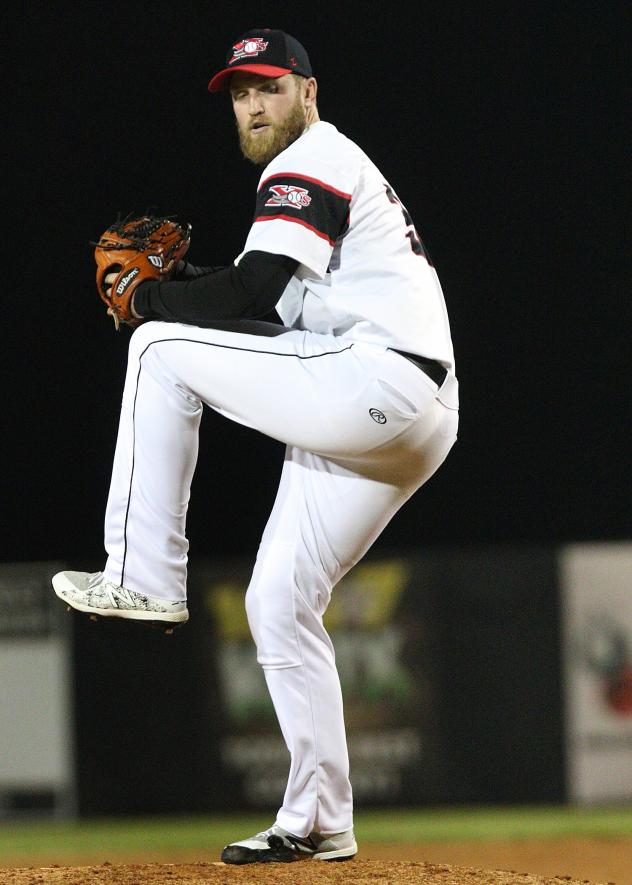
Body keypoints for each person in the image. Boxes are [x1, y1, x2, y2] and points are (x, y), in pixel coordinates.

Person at [53, 29, 459, 864]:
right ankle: (319, 818)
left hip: (374, 380)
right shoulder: (320, 177)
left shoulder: (311, 158)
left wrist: (150, 298)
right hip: (413, 411)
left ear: (309, 91)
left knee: (154, 349)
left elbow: (251, 293)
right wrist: (184, 285)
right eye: (240, 94)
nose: (253, 106)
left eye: (269, 87)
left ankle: (143, 575)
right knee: (278, 602)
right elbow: (260, 309)